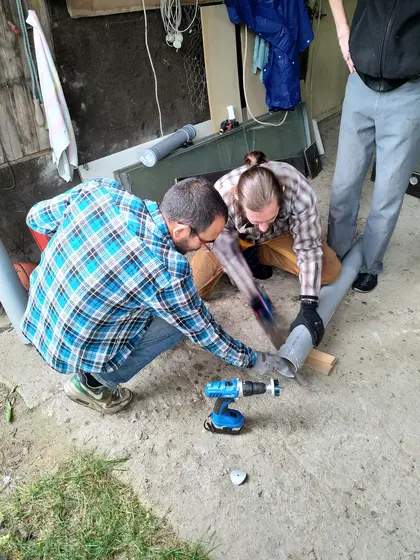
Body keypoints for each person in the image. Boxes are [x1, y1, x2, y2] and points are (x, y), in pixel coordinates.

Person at [21, 177, 290, 414]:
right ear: (181, 231)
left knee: (146, 299)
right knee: (176, 326)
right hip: (69, 350)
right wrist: (253, 359)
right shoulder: (167, 272)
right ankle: (93, 384)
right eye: (207, 240)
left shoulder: (101, 191)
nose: (209, 248)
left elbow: (36, 218)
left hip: (38, 314)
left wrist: (70, 257)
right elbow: (205, 332)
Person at [191, 151, 341, 347]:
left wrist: (309, 305)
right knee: (195, 286)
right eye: (256, 220)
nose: (263, 227)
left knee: (330, 271)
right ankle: (250, 254)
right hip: (236, 240)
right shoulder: (220, 198)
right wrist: (252, 293)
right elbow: (225, 252)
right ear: (238, 200)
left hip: (278, 236)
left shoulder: (296, 187)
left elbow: (308, 247)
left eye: (270, 218)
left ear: (282, 193)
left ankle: (260, 255)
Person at [328, 0, 420, 293]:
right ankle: (336, 255)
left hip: (408, 92)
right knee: (344, 185)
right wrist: (343, 29)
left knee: (387, 194)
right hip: (360, 82)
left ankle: (369, 265)